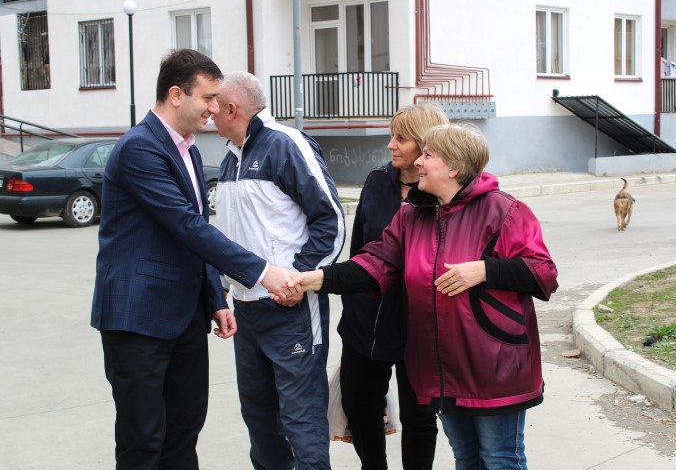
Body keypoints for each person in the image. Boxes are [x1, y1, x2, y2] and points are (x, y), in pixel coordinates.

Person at [277, 123, 559, 470]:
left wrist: (484, 270)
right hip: (442, 366)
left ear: (454, 167)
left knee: (500, 459)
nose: (418, 163)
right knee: (466, 458)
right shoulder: (413, 215)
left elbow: (543, 271)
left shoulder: (504, 211)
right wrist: (317, 278)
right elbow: (375, 262)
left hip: (493, 366)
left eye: (428, 155)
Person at [91, 49, 292, 470]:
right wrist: (260, 272)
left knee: (184, 432)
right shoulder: (138, 149)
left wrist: (215, 298)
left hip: (183, 317)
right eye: (208, 98)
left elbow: (191, 232)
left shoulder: (190, 150)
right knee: (143, 439)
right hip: (137, 317)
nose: (215, 109)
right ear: (177, 94)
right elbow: (186, 226)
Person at [211, 71, 345, 470]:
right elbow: (232, 236)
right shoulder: (229, 158)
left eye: (214, 106)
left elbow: (331, 221)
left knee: (301, 419)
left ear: (232, 109)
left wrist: (299, 279)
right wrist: (221, 289)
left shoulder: (285, 145)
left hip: (290, 309)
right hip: (247, 310)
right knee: (258, 417)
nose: (208, 114)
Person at [338, 103, 448, 470]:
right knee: (359, 407)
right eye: (392, 135)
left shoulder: (445, 193)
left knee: (420, 418)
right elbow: (359, 252)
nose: (391, 145)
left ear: (425, 145)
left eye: (401, 137)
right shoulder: (376, 181)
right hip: (366, 324)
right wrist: (351, 306)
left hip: (420, 328)